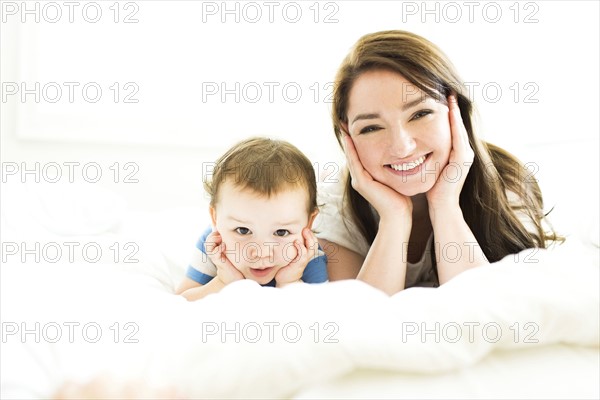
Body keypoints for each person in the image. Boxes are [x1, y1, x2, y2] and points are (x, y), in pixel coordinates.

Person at [315, 30, 561, 295]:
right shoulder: (334, 210)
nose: (402, 146)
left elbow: (478, 313)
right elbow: (364, 324)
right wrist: (394, 218)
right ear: (347, 136)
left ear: (455, 111)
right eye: (372, 128)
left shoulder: (507, 184)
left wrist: (445, 205)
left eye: (420, 113)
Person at [177, 137, 327, 301]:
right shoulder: (214, 245)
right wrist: (224, 282)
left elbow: (321, 312)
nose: (261, 252)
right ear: (215, 219)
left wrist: (289, 282)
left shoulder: (307, 256)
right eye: (243, 230)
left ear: (308, 223)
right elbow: (180, 303)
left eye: (281, 232)